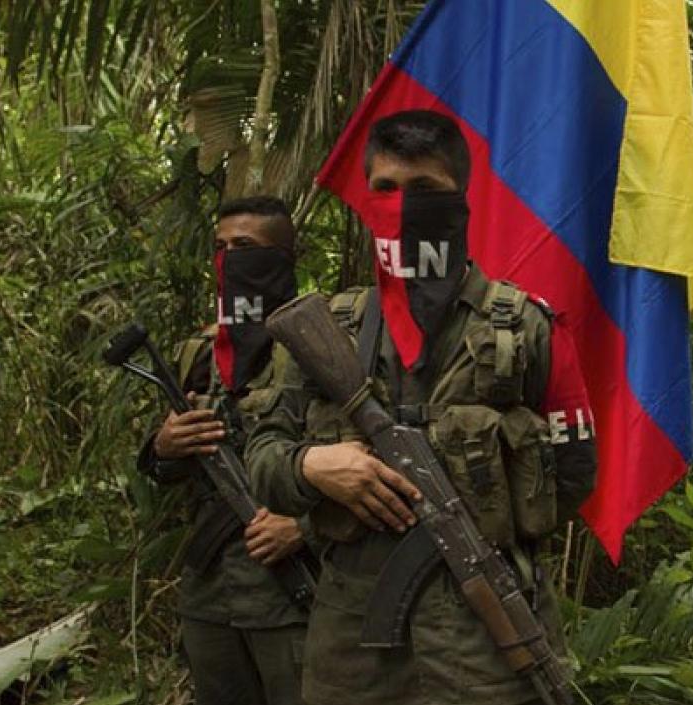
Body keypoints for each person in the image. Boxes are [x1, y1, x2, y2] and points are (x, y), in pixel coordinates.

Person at [245, 110, 598, 705]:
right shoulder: (329, 330)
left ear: (460, 200)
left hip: (486, 642)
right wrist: (312, 467)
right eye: (385, 188)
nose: (403, 205)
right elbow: (262, 454)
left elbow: (573, 474)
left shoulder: (526, 328)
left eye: (424, 189)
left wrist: (485, 515)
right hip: (354, 652)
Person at [138, 196, 312, 705]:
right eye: (220, 247)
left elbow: (369, 459)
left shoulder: (319, 346)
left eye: (244, 246)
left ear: (282, 257)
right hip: (209, 592)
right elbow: (162, 471)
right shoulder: (201, 354)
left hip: (292, 592)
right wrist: (166, 446)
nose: (229, 259)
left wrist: (303, 527)